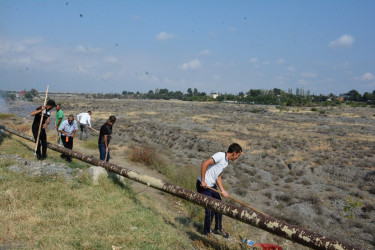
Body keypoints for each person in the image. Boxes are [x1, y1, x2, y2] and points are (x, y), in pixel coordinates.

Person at [196, 143, 242, 237]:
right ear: (234, 153)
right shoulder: (220, 155)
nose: (238, 157)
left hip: (212, 186)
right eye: (238, 155)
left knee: (219, 206)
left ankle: (218, 228)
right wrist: (203, 181)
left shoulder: (226, 161)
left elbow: (218, 176)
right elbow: (205, 163)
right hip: (203, 185)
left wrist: (222, 190)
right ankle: (206, 232)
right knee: (209, 209)